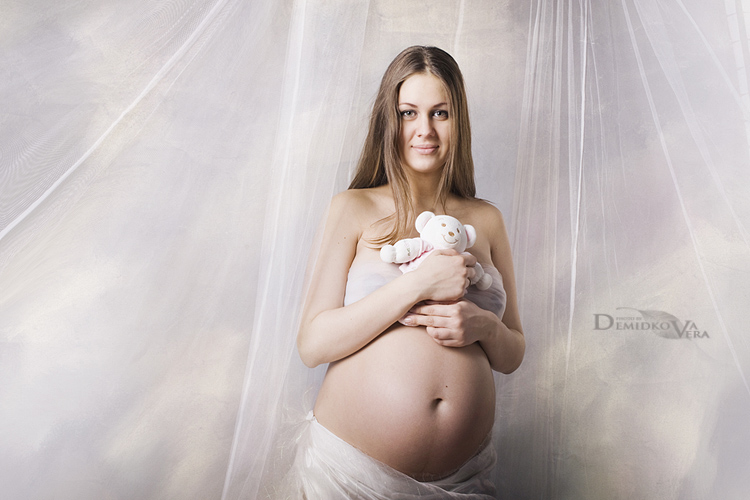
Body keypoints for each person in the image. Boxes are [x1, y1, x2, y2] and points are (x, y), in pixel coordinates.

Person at [289, 45, 524, 499]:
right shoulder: (353, 208)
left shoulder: (486, 219)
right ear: (388, 120)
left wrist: (483, 326)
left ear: (459, 121)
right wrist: (418, 284)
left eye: (440, 113)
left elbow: (512, 353)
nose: (425, 130)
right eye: (408, 113)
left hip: (463, 480)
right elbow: (312, 344)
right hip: (351, 477)